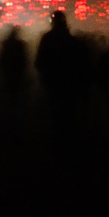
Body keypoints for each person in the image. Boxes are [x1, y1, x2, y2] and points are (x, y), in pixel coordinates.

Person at [36, 11, 92, 154]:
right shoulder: (72, 41)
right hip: (70, 84)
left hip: (54, 84)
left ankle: (58, 146)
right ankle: (70, 146)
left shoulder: (47, 39)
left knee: (56, 115)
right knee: (69, 114)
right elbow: (82, 65)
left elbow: (39, 62)